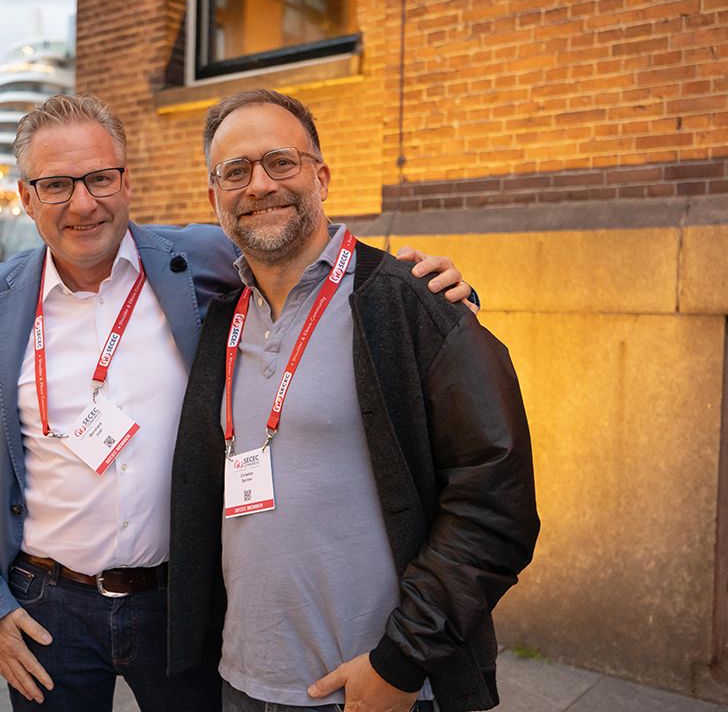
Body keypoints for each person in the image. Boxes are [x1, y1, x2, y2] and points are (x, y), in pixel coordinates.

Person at [0, 94, 474, 712]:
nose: (83, 203)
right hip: (46, 608)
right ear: (26, 198)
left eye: (100, 177)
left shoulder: (201, 262)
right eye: (56, 185)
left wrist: (427, 287)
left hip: (181, 604)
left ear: (127, 181)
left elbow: (302, 245)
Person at [166, 89, 539, 712]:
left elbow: (495, 503)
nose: (260, 185)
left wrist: (400, 663)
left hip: (378, 690)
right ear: (213, 199)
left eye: (280, 162)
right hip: (243, 682)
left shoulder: (409, 303)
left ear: (321, 177)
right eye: (235, 171)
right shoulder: (220, 322)